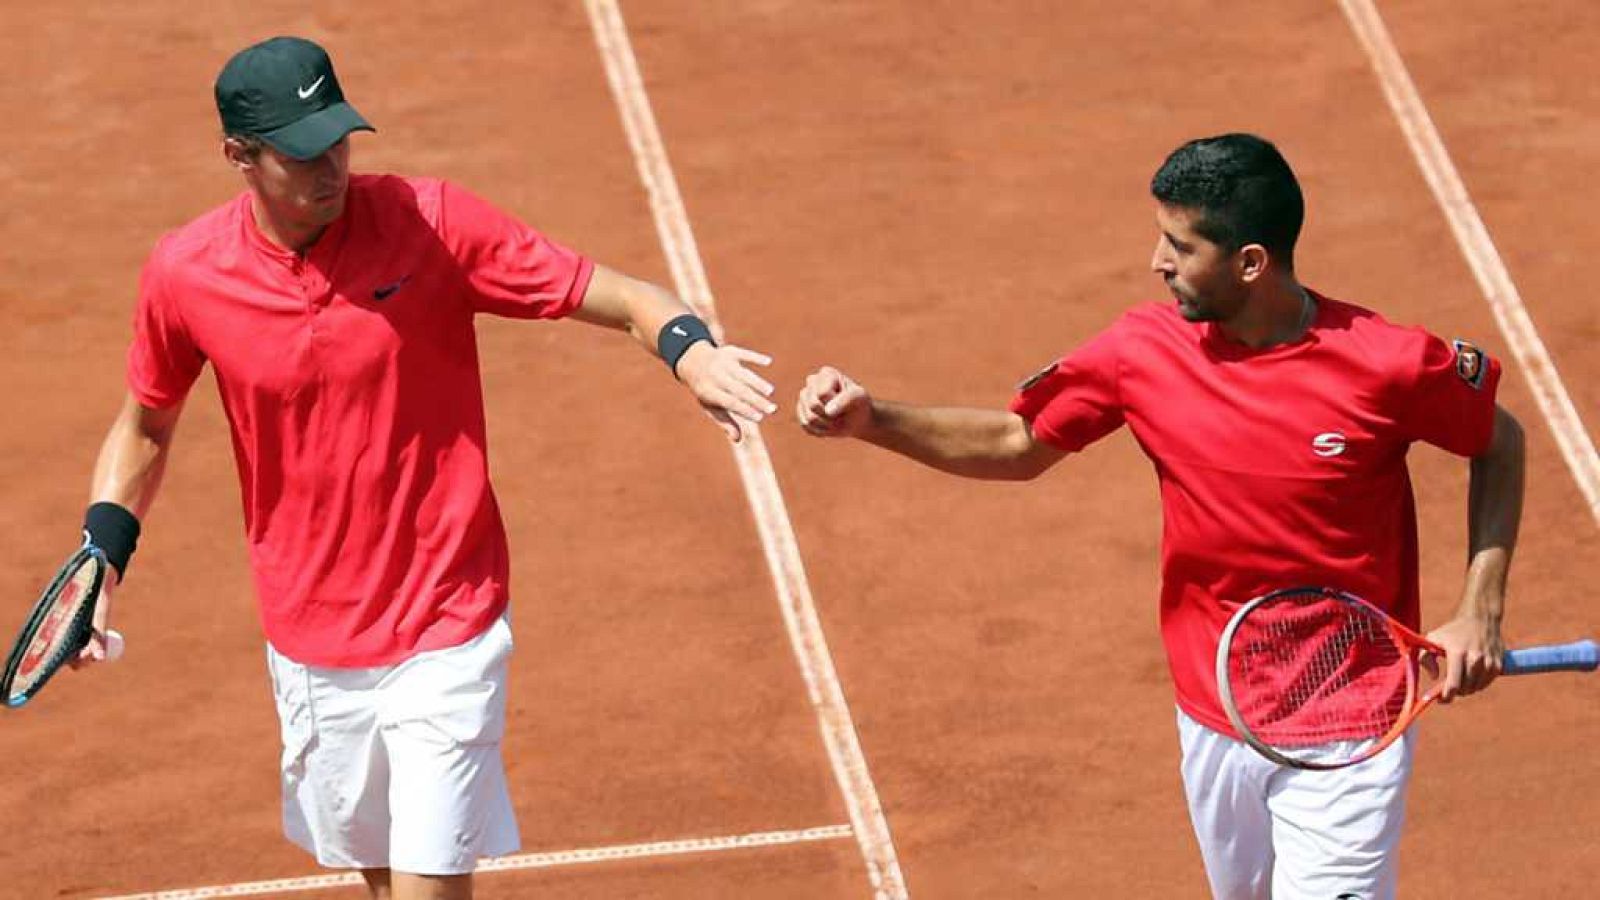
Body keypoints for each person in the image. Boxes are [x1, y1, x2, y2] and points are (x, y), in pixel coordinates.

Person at [68, 35, 778, 900]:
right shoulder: (186, 275)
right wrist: (102, 554)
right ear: (238, 158)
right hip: (310, 635)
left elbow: (621, 296)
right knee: (382, 878)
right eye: (301, 154)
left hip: (450, 620)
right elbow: (147, 422)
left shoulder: (432, 223)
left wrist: (687, 350)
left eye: (339, 139)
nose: (331, 167)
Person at [795, 133, 1525, 900]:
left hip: (1350, 719)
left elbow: (1498, 440)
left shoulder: (1388, 363)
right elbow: (1018, 442)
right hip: (1217, 710)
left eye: (1180, 244)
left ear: (1249, 262)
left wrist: (1481, 607)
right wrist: (873, 420)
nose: (1158, 261)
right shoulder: (1142, 351)